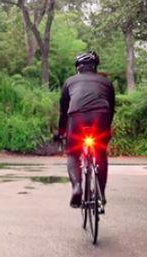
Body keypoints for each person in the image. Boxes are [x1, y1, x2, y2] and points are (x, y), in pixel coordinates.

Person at [54, 51, 115, 208]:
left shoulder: (70, 81)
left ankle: (76, 187)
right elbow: (112, 108)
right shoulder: (106, 82)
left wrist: (61, 132)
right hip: (101, 117)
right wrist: (107, 130)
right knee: (101, 153)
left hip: (77, 118)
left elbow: (63, 111)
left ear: (78, 68)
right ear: (95, 67)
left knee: (73, 154)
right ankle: (101, 194)